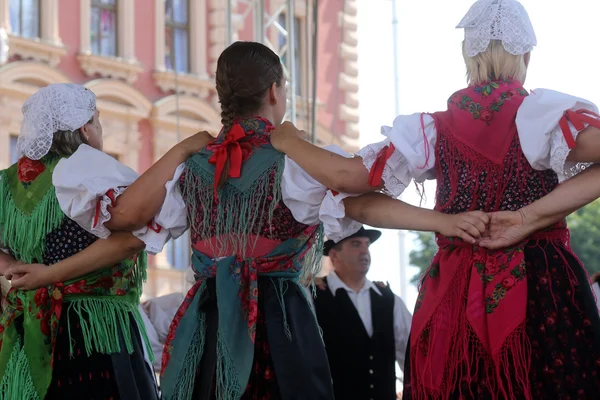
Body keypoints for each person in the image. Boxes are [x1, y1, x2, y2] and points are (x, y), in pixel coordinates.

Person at [36, 41, 490, 400]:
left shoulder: (192, 166)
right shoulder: (295, 159)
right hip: (279, 317)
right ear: (274, 91)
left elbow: (126, 229)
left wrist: (47, 273)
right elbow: (360, 200)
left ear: (223, 98)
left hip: (209, 314)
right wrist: (442, 222)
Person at [269, 0, 600, 398]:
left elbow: (349, 187)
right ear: (525, 55)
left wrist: (288, 140)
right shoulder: (544, 117)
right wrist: (530, 217)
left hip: (455, 293)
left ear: (468, 54)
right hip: (542, 286)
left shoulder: (433, 130)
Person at [0, 83, 161, 399]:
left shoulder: (7, 183)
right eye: (98, 122)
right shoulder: (92, 168)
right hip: (95, 329)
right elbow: (132, 238)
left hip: (29, 328)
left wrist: (14, 267)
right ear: (85, 129)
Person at [312, 227, 411, 400]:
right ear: (335, 256)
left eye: (367, 245)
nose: (365, 251)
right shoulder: (314, 296)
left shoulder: (389, 300)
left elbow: (411, 356)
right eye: (356, 244)